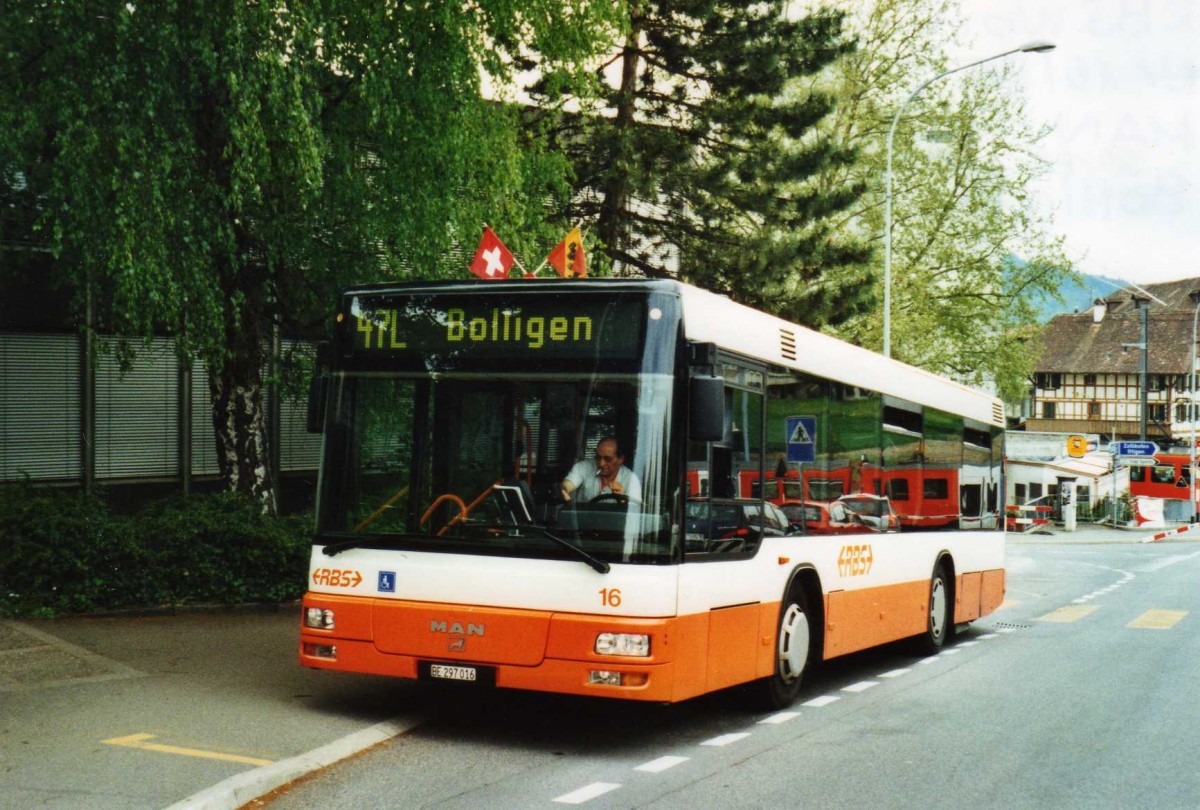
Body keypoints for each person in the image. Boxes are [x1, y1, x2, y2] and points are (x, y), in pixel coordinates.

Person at [561, 436, 642, 503]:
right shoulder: (584, 467)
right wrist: (565, 489)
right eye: (598, 457)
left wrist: (622, 499)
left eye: (608, 459)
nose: (601, 463)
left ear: (620, 459)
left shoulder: (631, 479)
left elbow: (634, 511)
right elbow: (568, 484)